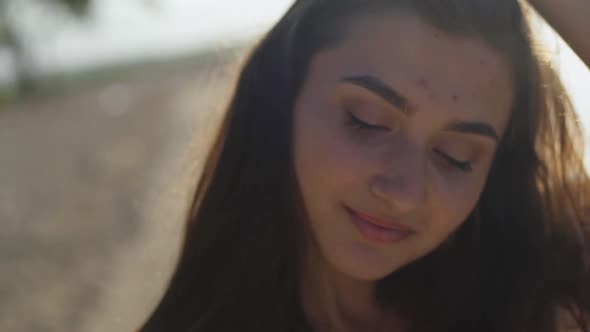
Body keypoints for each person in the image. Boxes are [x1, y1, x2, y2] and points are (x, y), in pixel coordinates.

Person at [138, 1, 590, 331]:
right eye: (366, 122)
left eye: (457, 157)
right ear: (281, 99)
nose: (405, 192)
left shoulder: (547, 290)